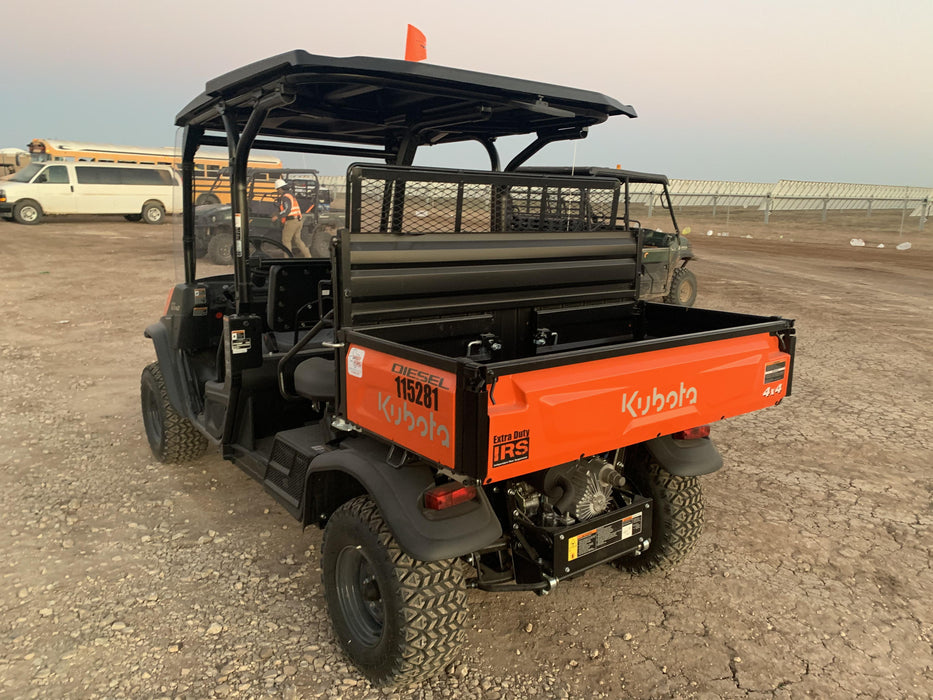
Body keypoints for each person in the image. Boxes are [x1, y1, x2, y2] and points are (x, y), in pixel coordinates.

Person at [273, 178, 311, 257]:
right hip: (298, 220)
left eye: (277, 189)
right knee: (298, 240)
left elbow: (287, 210)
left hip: (291, 222)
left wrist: (277, 216)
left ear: (280, 188)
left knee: (286, 241)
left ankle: (288, 259)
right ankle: (308, 256)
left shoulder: (285, 197)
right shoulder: (291, 195)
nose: (277, 191)